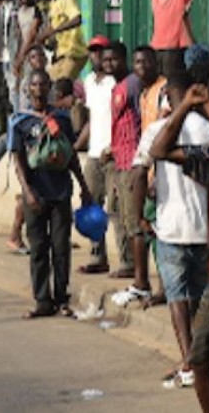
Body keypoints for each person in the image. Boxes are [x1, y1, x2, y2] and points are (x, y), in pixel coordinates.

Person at [141, 78, 209, 390]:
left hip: (171, 226)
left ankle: (189, 361)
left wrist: (137, 217)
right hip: (205, 229)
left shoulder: (155, 132)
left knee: (177, 298)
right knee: (201, 299)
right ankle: (202, 360)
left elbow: (139, 172)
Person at [10, 70, 94, 319]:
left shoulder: (62, 119)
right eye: (34, 84)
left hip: (60, 191)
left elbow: (71, 158)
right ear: (29, 89)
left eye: (43, 84)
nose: (39, 88)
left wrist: (84, 188)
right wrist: (28, 192)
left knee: (60, 248)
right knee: (38, 248)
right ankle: (42, 300)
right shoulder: (20, 121)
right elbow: (18, 160)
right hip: (35, 191)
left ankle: (61, 297)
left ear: (49, 88)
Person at [109, 44, 167, 303]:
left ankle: (164, 287)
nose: (141, 67)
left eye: (146, 62)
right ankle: (142, 283)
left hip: (159, 170)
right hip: (143, 168)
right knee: (139, 226)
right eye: (138, 63)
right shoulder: (143, 93)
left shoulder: (163, 90)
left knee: (154, 230)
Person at [76, 36, 117, 273]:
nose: (97, 56)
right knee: (91, 205)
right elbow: (92, 120)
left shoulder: (115, 82)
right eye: (93, 51)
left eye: (101, 51)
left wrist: (112, 147)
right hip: (93, 152)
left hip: (111, 152)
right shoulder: (89, 81)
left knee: (116, 208)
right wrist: (78, 145)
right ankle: (97, 256)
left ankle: (126, 261)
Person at [36, 0, 87, 81]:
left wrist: (55, 30)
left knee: (63, 85)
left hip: (74, 53)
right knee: (50, 84)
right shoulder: (53, 3)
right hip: (61, 55)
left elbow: (77, 19)